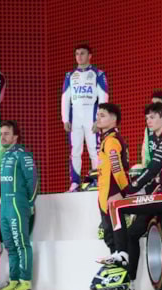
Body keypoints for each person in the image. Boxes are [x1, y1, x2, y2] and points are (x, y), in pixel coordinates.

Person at [101, 102, 162, 279]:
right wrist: (133, 191)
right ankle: (129, 281)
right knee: (132, 233)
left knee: (116, 205)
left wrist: (127, 190)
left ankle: (121, 254)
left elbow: (151, 171)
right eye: (147, 118)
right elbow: (153, 176)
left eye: (152, 117)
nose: (148, 121)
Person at [0, 121, 38, 290]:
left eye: (6, 133)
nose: (3, 137)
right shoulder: (5, 156)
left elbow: (32, 181)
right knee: (10, 246)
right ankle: (14, 281)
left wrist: (30, 203)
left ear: (15, 136)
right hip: (5, 206)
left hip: (17, 205)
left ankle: (25, 282)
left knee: (21, 244)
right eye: (1, 134)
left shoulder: (23, 154)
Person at [61, 44, 109, 192]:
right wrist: (65, 119)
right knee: (75, 150)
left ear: (90, 56)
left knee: (94, 149)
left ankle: (98, 180)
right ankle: (74, 183)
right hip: (75, 116)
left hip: (91, 115)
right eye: (77, 54)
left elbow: (103, 97)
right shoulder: (69, 75)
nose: (79, 56)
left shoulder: (98, 74)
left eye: (82, 53)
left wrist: (99, 120)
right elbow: (65, 98)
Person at [95, 103, 131, 253]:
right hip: (106, 195)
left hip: (112, 195)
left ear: (113, 119)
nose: (98, 118)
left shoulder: (111, 140)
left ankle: (121, 265)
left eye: (102, 115)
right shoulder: (108, 139)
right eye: (98, 115)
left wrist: (123, 191)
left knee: (115, 240)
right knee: (111, 238)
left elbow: (117, 168)